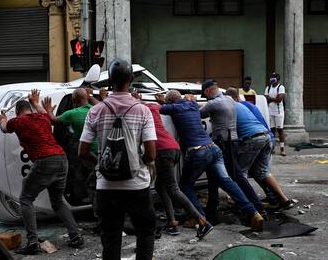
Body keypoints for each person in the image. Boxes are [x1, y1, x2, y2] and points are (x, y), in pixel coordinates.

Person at [78, 59, 157, 260]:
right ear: (131, 80)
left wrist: (102, 162)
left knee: (111, 239)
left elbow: (82, 151)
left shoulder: (95, 110)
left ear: (110, 81)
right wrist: (143, 164)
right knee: (145, 232)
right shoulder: (143, 110)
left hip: (106, 186)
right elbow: (151, 154)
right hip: (137, 185)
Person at [156, 90, 263, 232]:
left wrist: (161, 101)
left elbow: (158, 108)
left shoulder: (173, 108)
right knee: (227, 182)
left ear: (170, 102)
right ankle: (253, 213)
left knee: (185, 184)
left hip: (198, 151)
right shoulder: (193, 105)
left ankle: (199, 217)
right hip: (214, 148)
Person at [0, 90, 83, 255]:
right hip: (62, 159)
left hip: (44, 160)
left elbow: (4, 128)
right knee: (58, 202)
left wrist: (2, 119)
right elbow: (45, 112)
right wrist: (36, 102)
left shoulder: (18, 121)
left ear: (18, 111)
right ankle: (75, 236)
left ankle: (33, 242)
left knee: (26, 199)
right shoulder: (43, 117)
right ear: (30, 109)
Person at [137, 95, 211, 237]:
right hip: (173, 147)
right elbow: (159, 106)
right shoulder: (152, 107)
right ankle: (172, 223)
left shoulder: (138, 110)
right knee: (160, 186)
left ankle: (202, 221)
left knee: (173, 188)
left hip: (163, 151)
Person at [200, 80, 264, 220]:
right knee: (232, 176)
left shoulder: (213, 103)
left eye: (205, 95)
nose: (206, 98)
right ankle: (256, 206)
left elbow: (198, 114)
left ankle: (253, 209)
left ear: (208, 91)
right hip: (233, 142)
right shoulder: (229, 99)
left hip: (223, 143)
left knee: (225, 178)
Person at [226, 87, 293, 209]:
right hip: (266, 136)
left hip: (253, 139)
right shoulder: (248, 105)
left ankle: (242, 202)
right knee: (262, 172)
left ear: (230, 98)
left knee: (240, 172)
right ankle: (283, 199)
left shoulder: (231, 107)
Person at [41, 88, 98, 207]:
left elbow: (53, 120)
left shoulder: (72, 113)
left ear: (73, 100)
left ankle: (83, 199)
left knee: (84, 179)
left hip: (87, 154)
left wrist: (48, 110)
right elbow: (104, 105)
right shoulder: (96, 109)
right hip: (101, 153)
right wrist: (91, 97)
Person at [265, 72, 286, 156]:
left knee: (280, 130)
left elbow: (279, 99)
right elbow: (265, 99)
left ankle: (282, 149)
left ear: (277, 79)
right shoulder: (268, 87)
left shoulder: (281, 87)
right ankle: (272, 148)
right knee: (271, 130)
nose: (272, 80)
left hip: (278, 112)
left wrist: (270, 98)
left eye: (273, 78)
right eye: (271, 78)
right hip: (270, 111)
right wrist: (273, 98)